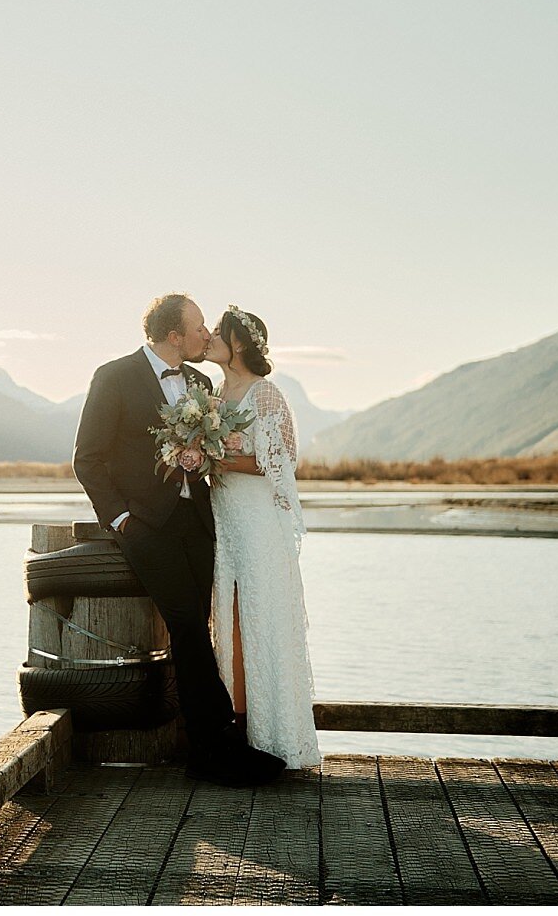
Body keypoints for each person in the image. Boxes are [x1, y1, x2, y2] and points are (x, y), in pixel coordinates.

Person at [73, 293, 285, 787]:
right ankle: (218, 749)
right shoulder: (114, 376)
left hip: (199, 520)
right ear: (174, 336)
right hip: (147, 527)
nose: (205, 335)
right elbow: (88, 457)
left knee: (201, 626)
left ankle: (205, 748)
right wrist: (120, 518)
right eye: (198, 328)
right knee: (188, 625)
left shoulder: (199, 381)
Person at [205, 306, 321, 770]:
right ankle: (237, 725)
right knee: (227, 618)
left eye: (218, 331)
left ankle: (273, 734)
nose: (210, 337)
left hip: (256, 522)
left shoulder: (266, 395)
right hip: (224, 519)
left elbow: (282, 462)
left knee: (260, 617)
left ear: (237, 344)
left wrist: (218, 457)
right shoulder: (211, 395)